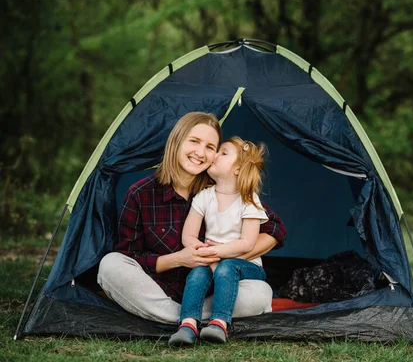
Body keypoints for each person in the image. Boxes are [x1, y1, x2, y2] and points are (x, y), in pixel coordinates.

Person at [97, 112, 286, 326]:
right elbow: (129, 255)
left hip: (212, 291)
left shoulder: (222, 187)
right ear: (177, 141)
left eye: (210, 147)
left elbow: (275, 230)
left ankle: (188, 317)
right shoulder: (140, 193)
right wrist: (179, 259)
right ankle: (180, 315)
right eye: (194, 141)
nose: (200, 153)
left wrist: (221, 257)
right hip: (159, 289)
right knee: (109, 265)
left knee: (260, 293)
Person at [169, 137, 268, 346]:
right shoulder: (204, 197)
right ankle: (187, 324)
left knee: (226, 267)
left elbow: (248, 243)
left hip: (246, 264)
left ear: (238, 169)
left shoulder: (249, 199)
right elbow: (188, 236)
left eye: (223, 153)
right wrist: (202, 252)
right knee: (197, 273)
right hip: (210, 257)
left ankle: (219, 323)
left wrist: (217, 254)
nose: (214, 156)